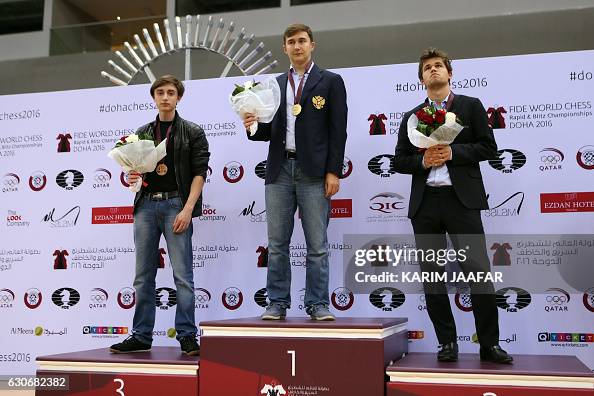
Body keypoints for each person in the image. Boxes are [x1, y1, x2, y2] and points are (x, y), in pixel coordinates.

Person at [393, 48, 512, 364]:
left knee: (479, 275)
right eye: (427, 68)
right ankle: (447, 343)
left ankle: (489, 344)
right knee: (432, 278)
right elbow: (398, 161)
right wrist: (422, 160)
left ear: (449, 73)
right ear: (421, 79)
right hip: (426, 205)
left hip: (462, 202)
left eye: (438, 66)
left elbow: (489, 147)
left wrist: (452, 154)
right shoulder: (412, 116)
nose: (433, 70)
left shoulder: (470, 107)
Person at [242, 24, 347, 321]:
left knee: (317, 245)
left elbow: (338, 131)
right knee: (276, 245)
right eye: (291, 42)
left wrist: (333, 172)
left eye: (302, 41)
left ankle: (317, 304)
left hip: (314, 172)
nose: (297, 46)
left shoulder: (331, 81)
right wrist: (251, 123)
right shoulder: (273, 85)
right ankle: (276, 303)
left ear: (312, 45)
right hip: (279, 171)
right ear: (284, 48)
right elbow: (266, 132)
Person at [110, 75, 210, 356]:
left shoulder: (192, 131)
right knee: (143, 276)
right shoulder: (142, 132)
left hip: (176, 205)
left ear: (179, 98)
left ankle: (187, 336)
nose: (165, 97)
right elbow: (137, 170)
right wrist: (133, 175)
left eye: (171, 92)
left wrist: (188, 208)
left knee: (183, 276)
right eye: (160, 92)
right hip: (145, 207)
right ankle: (141, 335)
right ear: (153, 97)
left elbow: (200, 173)